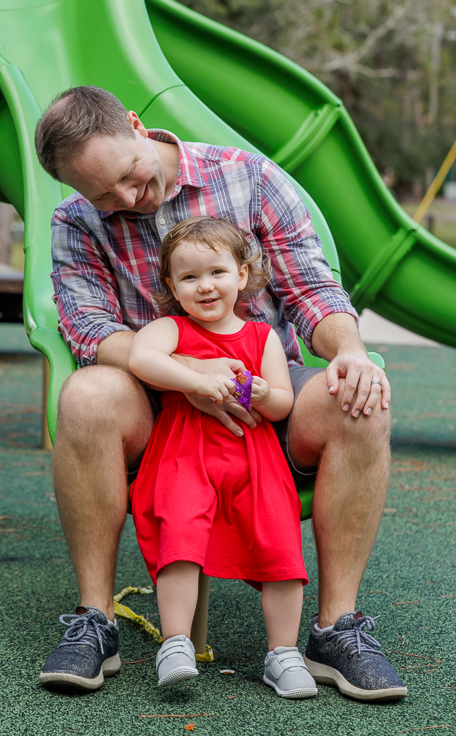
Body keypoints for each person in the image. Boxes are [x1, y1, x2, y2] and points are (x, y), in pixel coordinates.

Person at [35, 85, 406, 701]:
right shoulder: (75, 222)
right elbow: (91, 330)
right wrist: (188, 373)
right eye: (102, 195)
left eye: (128, 175)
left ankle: (336, 630)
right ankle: (95, 620)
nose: (126, 200)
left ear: (137, 126)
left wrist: (349, 349)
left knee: (358, 401)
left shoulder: (250, 178)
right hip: (156, 406)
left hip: (264, 397)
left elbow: (310, 288)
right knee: (86, 393)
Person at [128, 216, 316, 697]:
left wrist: (260, 393)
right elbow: (141, 359)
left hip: (254, 459)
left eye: (217, 272)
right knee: (180, 534)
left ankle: (283, 653)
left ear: (242, 274)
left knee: (279, 541)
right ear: (172, 286)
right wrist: (196, 380)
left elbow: (282, 403)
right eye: (189, 277)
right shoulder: (170, 329)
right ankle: (175, 643)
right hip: (184, 454)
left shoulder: (261, 336)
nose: (205, 286)